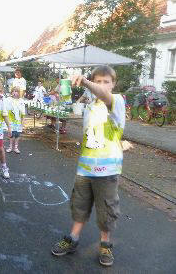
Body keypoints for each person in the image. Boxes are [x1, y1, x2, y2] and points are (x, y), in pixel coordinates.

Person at [51, 66, 126, 267]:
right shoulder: (90, 104)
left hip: (107, 170)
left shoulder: (117, 101)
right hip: (85, 169)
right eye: (98, 81)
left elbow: (102, 94)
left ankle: (105, 244)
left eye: (106, 81)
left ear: (113, 84)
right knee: (79, 206)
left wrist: (85, 81)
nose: (101, 85)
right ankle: (73, 239)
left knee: (106, 210)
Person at [5, 86, 25, 154]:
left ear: (19, 93)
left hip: (18, 121)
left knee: (17, 135)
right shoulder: (8, 99)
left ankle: (16, 147)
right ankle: (10, 147)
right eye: (13, 91)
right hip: (11, 120)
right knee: (11, 134)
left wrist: (22, 122)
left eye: (16, 91)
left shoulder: (21, 101)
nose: (14, 93)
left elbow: (22, 113)